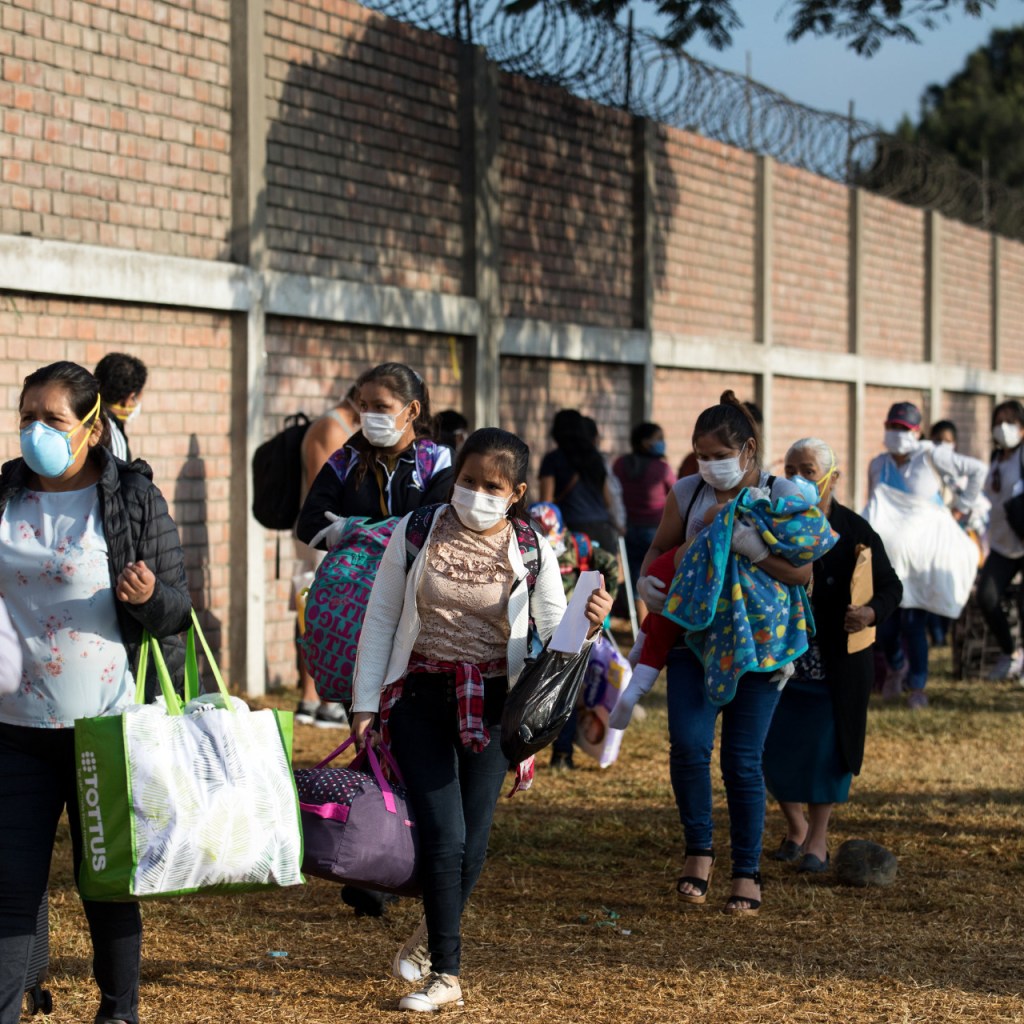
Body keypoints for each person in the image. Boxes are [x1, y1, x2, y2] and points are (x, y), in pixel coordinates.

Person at [350, 428, 613, 1012]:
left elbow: (553, 631)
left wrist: (587, 622)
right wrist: (365, 703)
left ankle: (429, 938)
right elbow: (381, 617)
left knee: (474, 840)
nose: (476, 494)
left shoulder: (532, 545)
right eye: (468, 481)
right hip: (419, 694)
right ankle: (447, 974)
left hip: (496, 703)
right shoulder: (417, 530)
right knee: (445, 836)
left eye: (492, 486)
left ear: (516, 492)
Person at [0, 361, 191, 1024]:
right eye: (25, 416)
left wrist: (150, 598)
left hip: (104, 734)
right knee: (9, 890)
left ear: (91, 426)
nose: (33, 431)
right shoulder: (5, 493)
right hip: (13, 731)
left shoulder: (132, 498)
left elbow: (178, 611)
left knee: (106, 888)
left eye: (50, 419)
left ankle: (118, 1013)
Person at [635, 391, 809, 915]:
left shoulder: (782, 495)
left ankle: (747, 870)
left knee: (742, 760)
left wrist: (755, 550)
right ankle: (699, 850)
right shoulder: (687, 492)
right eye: (701, 455)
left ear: (748, 450)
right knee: (688, 744)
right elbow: (659, 549)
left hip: (759, 648)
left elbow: (803, 573)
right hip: (694, 639)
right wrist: (648, 581)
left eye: (719, 455)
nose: (709, 466)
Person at [296, 361, 453, 918]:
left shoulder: (438, 463)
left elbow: (435, 524)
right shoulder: (347, 460)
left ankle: (397, 856)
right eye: (364, 405)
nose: (370, 417)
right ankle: (374, 856)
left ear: (412, 411)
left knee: (405, 734)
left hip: (417, 620)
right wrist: (360, 530)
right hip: (352, 622)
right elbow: (309, 522)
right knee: (366, 729)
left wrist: (358, 530)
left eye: (382, 407)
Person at [762, 439, 902, 873]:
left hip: (834, 665)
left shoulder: (855, 531)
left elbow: (891, 587)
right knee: (772, 747)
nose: (798, 479)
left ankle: (817, 841)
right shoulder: (769, 522)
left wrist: (869, 612)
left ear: (832, 478)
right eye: (791, 469)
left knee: (826, 752)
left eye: (808, 470)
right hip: (780, 657)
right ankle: (796, 826)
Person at [868, 401, 985, 707]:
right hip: (890, 563)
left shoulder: (931, 456)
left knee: (913, 624)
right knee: (886, 626)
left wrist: (960, 508)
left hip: (922, 563)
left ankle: (918, 684)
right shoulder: (878, 465)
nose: (896, 434)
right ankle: (897, 667)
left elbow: (977, 470)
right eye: (892, 427)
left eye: (904, 429)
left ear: (917, 432)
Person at [527, 501, 619, 769]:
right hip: (533, 632)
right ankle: (519, 754)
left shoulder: (578, 546)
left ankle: (562, 754)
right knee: (528, 692)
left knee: (567, 695)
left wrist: (605, 602)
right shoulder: (526, 548)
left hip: (574, 630)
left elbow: (611, 565)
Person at [293, 385, 360, 728]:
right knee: (316, 613)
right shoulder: (332, 428)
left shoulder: (340, 427)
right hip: (322, 538)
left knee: (316, 612)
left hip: (330, 537)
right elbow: (329, 488)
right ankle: (313, 698)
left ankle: (315, 699)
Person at [977, 400, 1024, 680]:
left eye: (1011, 422)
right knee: (987, 597)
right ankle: (1010, 653)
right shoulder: (995, 461)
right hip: (1001, 545)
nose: (1003, 427)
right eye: (998, 421)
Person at [614, 422, 676, 616]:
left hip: (628, 529)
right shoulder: (662, 468)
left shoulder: (620, 464)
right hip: (656, 532)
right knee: (656, 577)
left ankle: (640, 624)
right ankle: (651, 622)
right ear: (644, 442)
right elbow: (676, 494)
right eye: (657, 439)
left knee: (637, 578)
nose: (661, 443)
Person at [538, 409, 618, 551]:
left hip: (571, 533)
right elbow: (608, 500)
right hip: (602, 529)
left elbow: (546, 504)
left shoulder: (553, 459)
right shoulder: (596, 458)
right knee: (604, 573)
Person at [94, 352, 147, 462]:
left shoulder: (81, 419)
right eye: (135, 400)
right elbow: (114, 478)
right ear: (129, 399)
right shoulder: (112, 435)